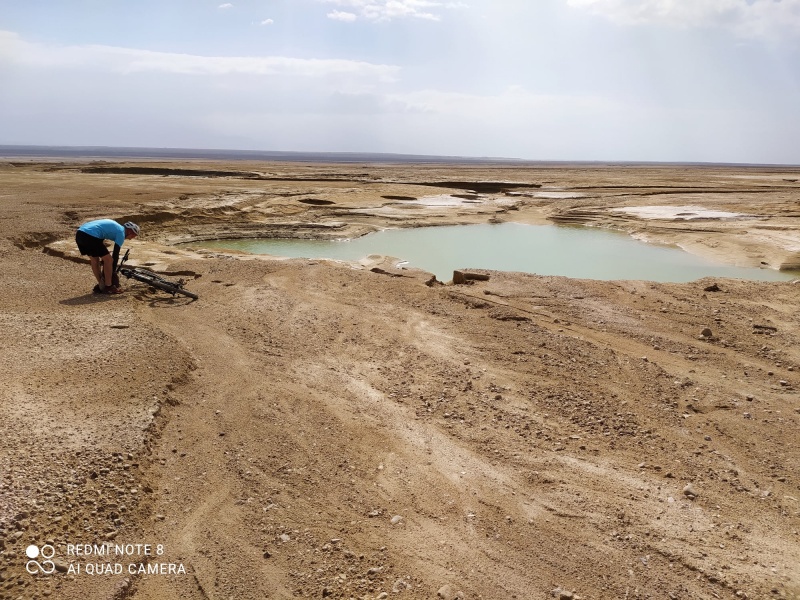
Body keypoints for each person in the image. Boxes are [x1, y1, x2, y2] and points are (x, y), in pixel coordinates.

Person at [75, 219, 140, 294]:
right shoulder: (121, 232)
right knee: (109, 260)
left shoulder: (116, 227)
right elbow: (116, 254)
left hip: (80, 234)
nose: (131, 238)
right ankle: (108, 287)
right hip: (90, 236)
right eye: (133, 235)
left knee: (95, 260)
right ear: (129, 231)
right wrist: (113, 271)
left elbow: (99, 234)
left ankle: (101, 285)